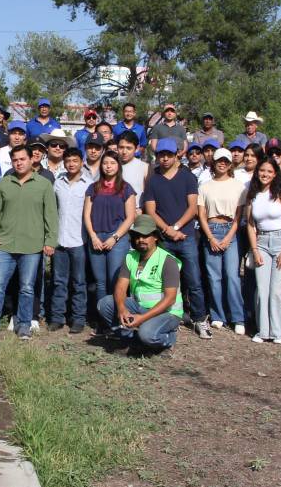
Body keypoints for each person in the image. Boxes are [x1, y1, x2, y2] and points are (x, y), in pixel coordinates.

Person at [0, 145, 58, 339]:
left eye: (23, 159)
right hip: (4, 245)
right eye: (15, 160)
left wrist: (50, 241)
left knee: (27, 287)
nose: (19, 163)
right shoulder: (5, 183)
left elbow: (51, 215)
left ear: (32, 160)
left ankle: (23, 324)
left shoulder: (44, 184)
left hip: (32, 246)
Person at [142, 138, 211, 338]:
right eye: (161, 155)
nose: (164, 158)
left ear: (176, 155)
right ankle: (168, 315)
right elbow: (150, 210)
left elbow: (192, 207)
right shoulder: (153, 179)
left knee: (193, 279)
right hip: (164, 238)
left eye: (169, 155)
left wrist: (177, 227)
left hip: (186, 236)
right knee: (166, 281)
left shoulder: (187, 177)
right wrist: (168, 230)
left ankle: (199, 319)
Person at [97, 214, 183, 353]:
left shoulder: (167, 261)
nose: (140, 239)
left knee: (147, 334)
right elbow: (120, 287)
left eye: (145, 235)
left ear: (155, 237)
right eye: (137, 236)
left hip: (167, 312)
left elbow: (170, 299)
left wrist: (142, 318)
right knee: (105, 304)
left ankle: (168, 339)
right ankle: (132, 340)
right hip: (140, 306)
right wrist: (121, 309)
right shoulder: (130, 257)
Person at [197, 148, 247, 334]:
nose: (222, 163)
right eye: (219, 160)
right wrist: (210, 237)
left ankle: (238, 317)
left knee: (232, 276)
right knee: (214, 277)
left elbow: (239, 215)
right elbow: (201, 214)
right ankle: (217, 315)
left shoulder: (239, 186)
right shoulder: (205, 186)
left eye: (226, 160)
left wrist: (228, 237)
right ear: (214, 162)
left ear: (230, 163)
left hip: (230, 231)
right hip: (211, 230)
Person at [245, 159, 281, 344]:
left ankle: (278, 332)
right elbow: (251, 225)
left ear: (275, 174)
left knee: (277, 290)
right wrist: (255, 250)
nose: (265, 174)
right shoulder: (253, 195)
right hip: (262, 242)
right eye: (262, 171)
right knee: (262, 289)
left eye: (269, 171)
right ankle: (263, 330)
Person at [84, 152, 136, 322]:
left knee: (116, 281)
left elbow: (130, 217)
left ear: (118, 166)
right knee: (100, 282)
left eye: (112, 163)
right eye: (105, 163)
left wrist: (115, 237)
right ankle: (102, 320)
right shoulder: (93, 188)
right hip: (97, 238)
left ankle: (116, 317)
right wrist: (93, 236)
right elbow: (86, 215)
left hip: (118, 239)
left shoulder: (126, 188)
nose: (108, 166)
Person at [50, 147, 92, 334]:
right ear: (64, 163)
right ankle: (57, 317)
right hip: (60, 240)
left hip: (79, 240)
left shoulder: (89, 184)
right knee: (59, 281)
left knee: (79, 282)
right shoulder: (58, 183)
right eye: (68, 161)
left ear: (81, 162)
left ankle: (78, 318)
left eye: (75, 160)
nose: (71, 164)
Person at [117, 131, 148, 196]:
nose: (124, 152)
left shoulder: (144, 167)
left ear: (136, 148)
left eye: (129, 148)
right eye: (121, 147)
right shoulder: (111, 166)